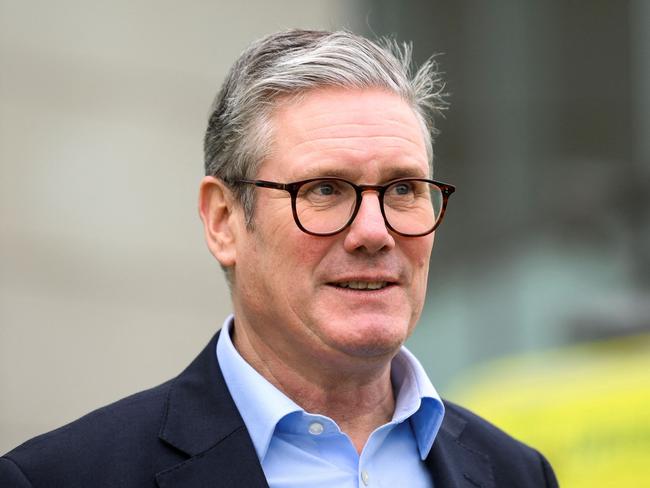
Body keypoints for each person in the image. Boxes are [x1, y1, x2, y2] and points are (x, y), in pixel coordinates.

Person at [0, 29, 558, 487]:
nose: (374, 232)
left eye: (403, 189)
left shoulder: (517, 474)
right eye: (323, 190)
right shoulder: (63, 478)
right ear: (223, 221)